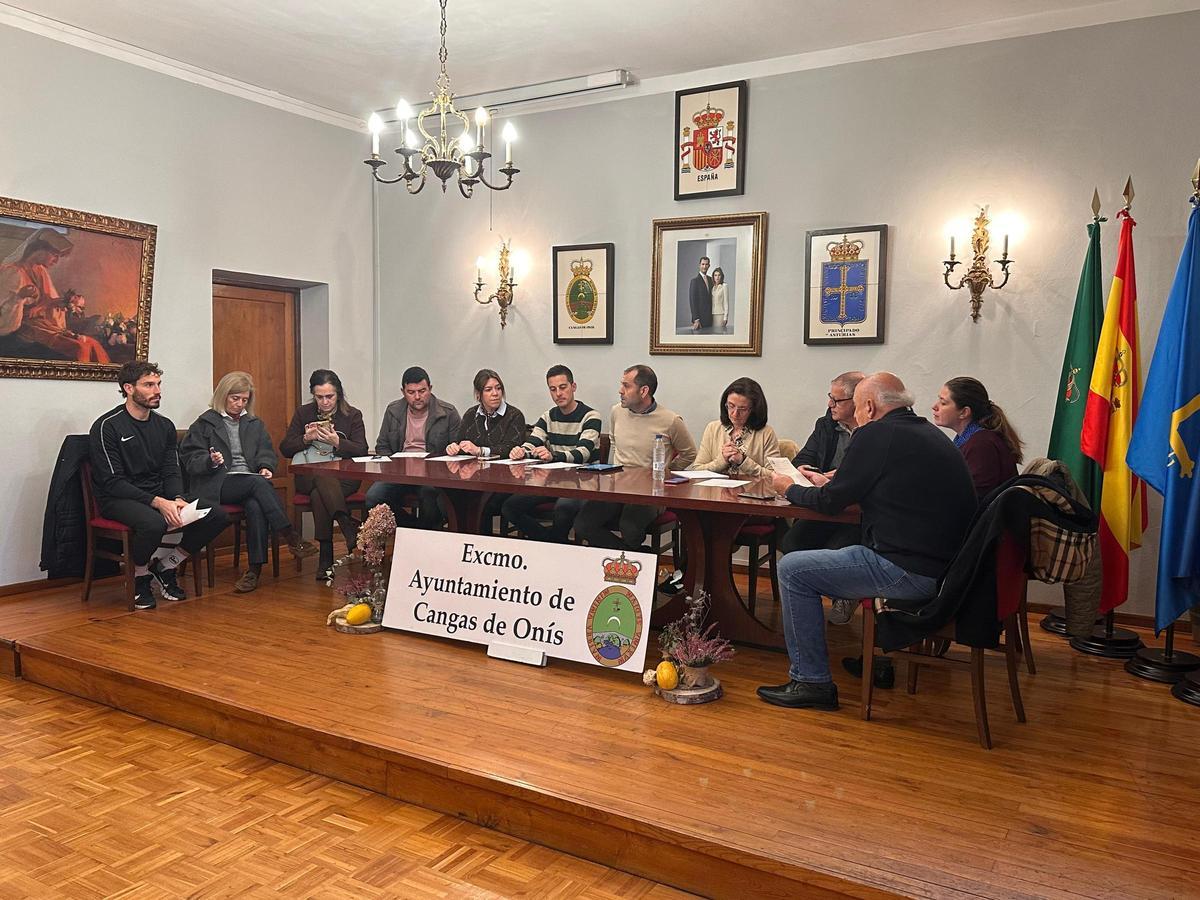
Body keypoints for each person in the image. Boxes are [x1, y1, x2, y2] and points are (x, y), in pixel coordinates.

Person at [757, 373, 976, 711]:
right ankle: (812, 676)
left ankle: (811, 682)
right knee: (813, 556)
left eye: (858, 408)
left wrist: (789, 488)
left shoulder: (876, 433)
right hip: (945, 567)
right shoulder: (922, 431)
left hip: (909, 570)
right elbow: (860, 487)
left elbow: (830, 503)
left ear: (870, 407)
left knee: (792, 569)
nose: (857, 416)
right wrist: (829, 483)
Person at [88, 362, 229, 611]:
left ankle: (166, 566)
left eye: (158, 384)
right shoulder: (107, 426)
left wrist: (176, 497)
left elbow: (170, 470)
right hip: (118, 498)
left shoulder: (164, 426)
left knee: (216, 514)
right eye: (149, 385)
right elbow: (112, 482)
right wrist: (158, 502)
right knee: (153, 523)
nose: (157, 391)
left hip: (158, 494)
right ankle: (140, 576)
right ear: (128, 388)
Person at [180, 371, 317, 594]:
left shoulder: (254, 423)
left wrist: (265, 466)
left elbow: (266, 452)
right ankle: (290, 535)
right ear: (223, 395)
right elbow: (190, 461)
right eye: (235, 398)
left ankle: (254, 571)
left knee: (255, 504)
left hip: (249, 481)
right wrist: (210, 460)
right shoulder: (204, 424)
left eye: (244, 400)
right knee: (257, 486)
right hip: (217, 483)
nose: (239, 404)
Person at [573, 365, 697, 550]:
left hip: (649, 492)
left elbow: (690, 453)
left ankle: (633, 560)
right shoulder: (616, 412)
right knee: (583, 524)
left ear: (643, 391)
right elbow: (614, 442)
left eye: (626, 386)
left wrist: (665, 472)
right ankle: (635, 556)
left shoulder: (670, 420)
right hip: (617, 487)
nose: (620, 390)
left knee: (629, 527)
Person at [779, 372, 866, 625]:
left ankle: (845, 595)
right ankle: (810, 602)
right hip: (822, 505)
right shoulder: (826, 424)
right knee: (792, 542)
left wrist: (841, 477)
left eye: (837, 400)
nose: (830, 404)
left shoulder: (872, 431)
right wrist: (806, 470)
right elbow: (803, 458)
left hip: (856, 513)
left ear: (858, 401)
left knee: (835, 551)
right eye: (830, 397)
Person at [279, 369, 368, 578]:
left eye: (330, 396)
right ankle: (346, 524)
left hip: (343, 478)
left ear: (338, 394)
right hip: (308, 475)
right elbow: (285, 449)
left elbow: (362, 450)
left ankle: (326, 557)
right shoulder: (303, 413)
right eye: (320, 397)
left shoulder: (352, 415)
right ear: (313, 395)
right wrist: (305, 438)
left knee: (319, 493)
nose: (325, 402)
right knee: (320, 475)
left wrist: (338, 442)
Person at [502, 365, 603, 542]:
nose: (558, 394)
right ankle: (550, 541)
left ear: (573, 387)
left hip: (582, 484)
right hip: (552, 482)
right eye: (553, 389)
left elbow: (583, 454)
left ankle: (555, 546)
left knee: (563, 509)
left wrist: (553, 456)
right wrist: (521, 451)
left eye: (563, 387)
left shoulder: (591, 416)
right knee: (509, 507)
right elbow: (532, 443)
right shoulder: (548, 416)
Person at [366, 366, 461, 529]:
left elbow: (458, 448)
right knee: (373, 497)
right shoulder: (393, 411)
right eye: (411, 392)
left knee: (430, 496)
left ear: (430, 388)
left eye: (422, 391)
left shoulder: (448, 412)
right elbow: (382, 445)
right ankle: (413, 528)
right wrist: (394, 466)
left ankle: (424, 533)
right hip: (399, 472)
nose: (417, 397)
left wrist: (452, 450)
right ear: (403, 392)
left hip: (432, 475)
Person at [0, 228, 110, 363]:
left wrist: (62, 303)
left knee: (92, 343)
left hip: (44, 324)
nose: (56, 260)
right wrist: (20, 298)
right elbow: (5, 311)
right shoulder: (13, 272)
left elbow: (45, 301)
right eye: (54, 254)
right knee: (79, 348)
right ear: (40, 250)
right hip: (25, 329)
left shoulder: (41, 271)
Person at [932, 376, 1024, 501]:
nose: (934, 406)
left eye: (943, 403)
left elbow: (976, 498)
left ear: (964, 412)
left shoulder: (981, 444)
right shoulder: (971, 439)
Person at [691, 377, 779, 477]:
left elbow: (775, 476)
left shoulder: (766, 433)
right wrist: (722, 461)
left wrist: (743, 461)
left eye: (742, 409)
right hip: (716, 487)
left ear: (754, 409)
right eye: (731, 406)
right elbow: (697, 470)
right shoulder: (713, 428)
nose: (735, 414)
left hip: (752, 487)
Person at [447, 368, 526, 459]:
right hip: (472, 466)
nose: (495, 393)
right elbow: (460, 442)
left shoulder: (514, 415)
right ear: (478, 394)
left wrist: (480, 451)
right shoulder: (470, 414)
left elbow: (511, 448)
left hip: (502, 467)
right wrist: (453, 448)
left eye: (498, 388)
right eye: (488, 390)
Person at [688, 256, 713, 333]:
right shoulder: (694, 281)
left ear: (709, 266)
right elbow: (693, 301)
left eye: (706, 264)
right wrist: (696, 319)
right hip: (700, 320)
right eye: (703, 264)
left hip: (710, 318)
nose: (704, 266)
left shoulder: (711, 279)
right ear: (699, 265)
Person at [710, 266, 728, 333]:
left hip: (720, 314)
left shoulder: (724, 286)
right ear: (713, 277)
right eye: (715, 275)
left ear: (721, 276)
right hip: (712, 314)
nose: (717, 277)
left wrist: (725, 317)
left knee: (719, 333)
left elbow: (726, 303)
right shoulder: (713, 287)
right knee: (713, 334)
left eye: (719, 275)